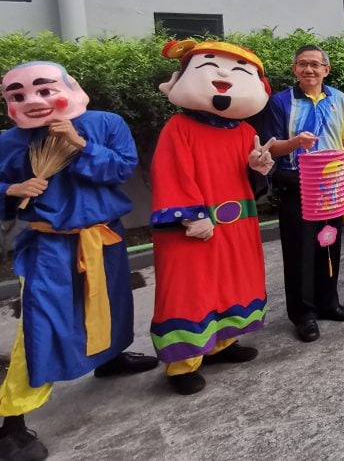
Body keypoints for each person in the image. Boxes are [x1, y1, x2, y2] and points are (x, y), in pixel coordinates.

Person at [0, 62, 158, 459]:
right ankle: (13, 422)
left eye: (44, 89)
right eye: (18, 95)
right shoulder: (9, 141)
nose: (32, 101)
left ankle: (110, 357)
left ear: (72, 87)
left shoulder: (105, 123)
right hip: (50, 246)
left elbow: (123, 168)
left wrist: (80, 143)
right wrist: (11, 189)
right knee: (44, 326)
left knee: (113, 305)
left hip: (104, 237)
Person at [150, 39, 278, 395]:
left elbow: (253, 178)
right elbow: (171, 174)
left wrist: (259, 169)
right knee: (190, 290)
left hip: (237, 223)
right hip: (193, 228)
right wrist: (191, 215)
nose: (224, 75)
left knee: (232, 282)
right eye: (211, 67)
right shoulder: (179, 127)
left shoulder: (246, 131)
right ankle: (182, 363)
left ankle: (222, 343)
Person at [264, 45, 344, 343]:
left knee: (329, 244)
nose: (309, 70)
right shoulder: (280, 101)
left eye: (315, 65)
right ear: (294, 69)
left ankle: (328, 302)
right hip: (296, 184)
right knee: (299, 252)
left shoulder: (339, 99)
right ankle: (302, 314)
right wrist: (295, 143)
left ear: (326, 70)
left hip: (332, 184)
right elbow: (270, 147)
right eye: (303, 64)